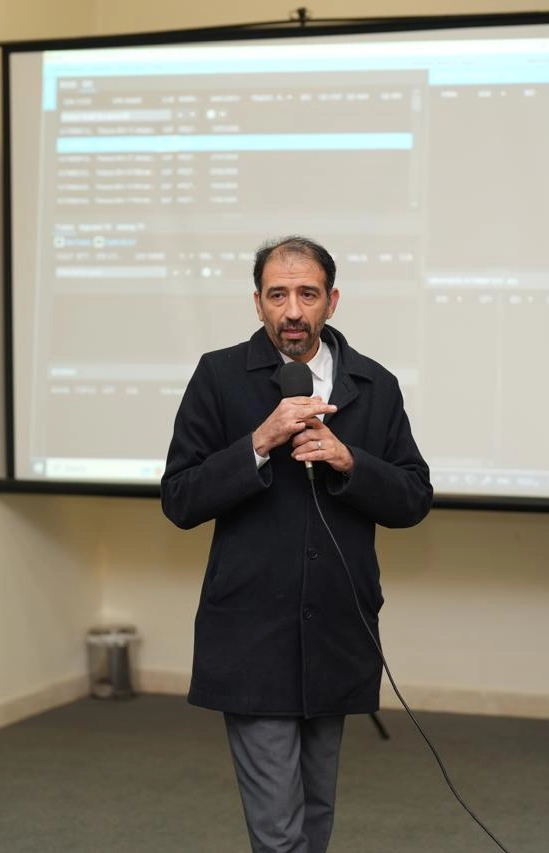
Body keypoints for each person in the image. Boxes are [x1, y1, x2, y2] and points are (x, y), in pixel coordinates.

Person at [161, 236, 433, 853]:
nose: (292, 311)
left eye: (307, 294)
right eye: (277, 294)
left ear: (331, 302)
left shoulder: (375, 384)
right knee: (279, 831)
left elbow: (414, 497)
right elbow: (180, 498)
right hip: (252, 633)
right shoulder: (219, 376)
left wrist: (349, 461)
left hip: (336, 628)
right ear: (257, 302)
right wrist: (258, 443)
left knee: (315, 816)